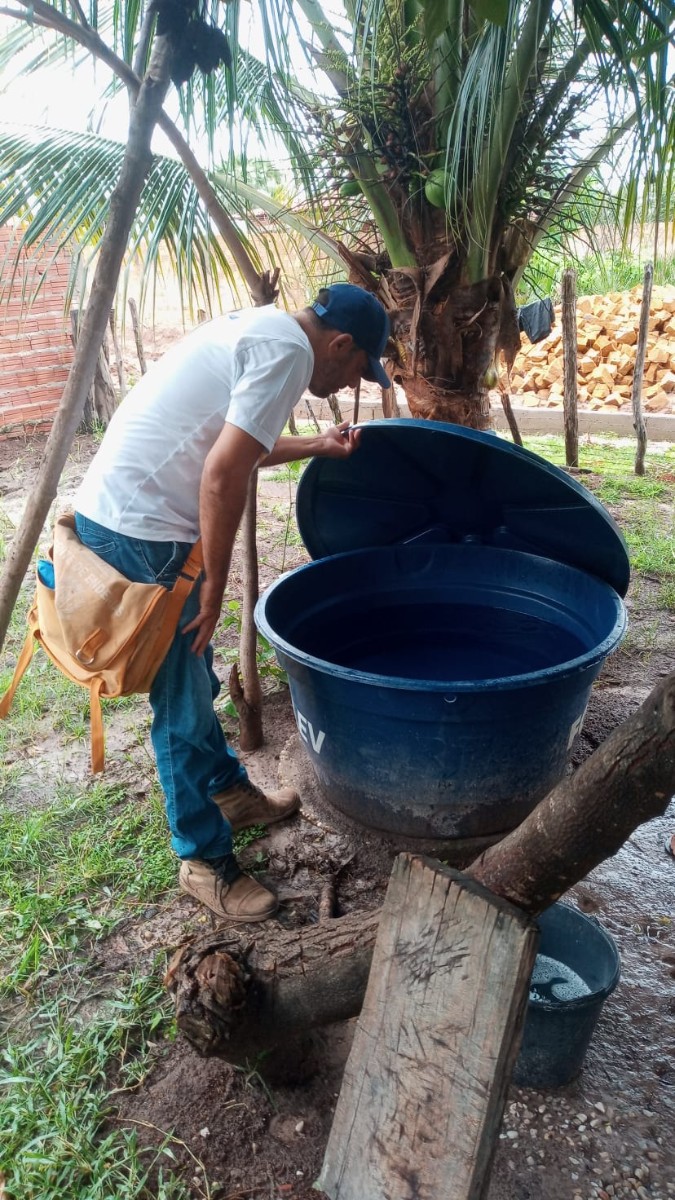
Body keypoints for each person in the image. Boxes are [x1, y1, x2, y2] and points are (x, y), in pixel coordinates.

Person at [72, 283, 391, 923]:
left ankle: (228, 793)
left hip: (126, 516)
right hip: (145, 535)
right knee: (182, 703)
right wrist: (214, 584)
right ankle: (203, 862)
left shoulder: (265, 330)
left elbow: (237, 445)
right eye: (360, 367)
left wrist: (318, 446)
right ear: (341, 344)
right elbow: (221, 475)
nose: (352, 380)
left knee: (193, 677)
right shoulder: (290, 356)